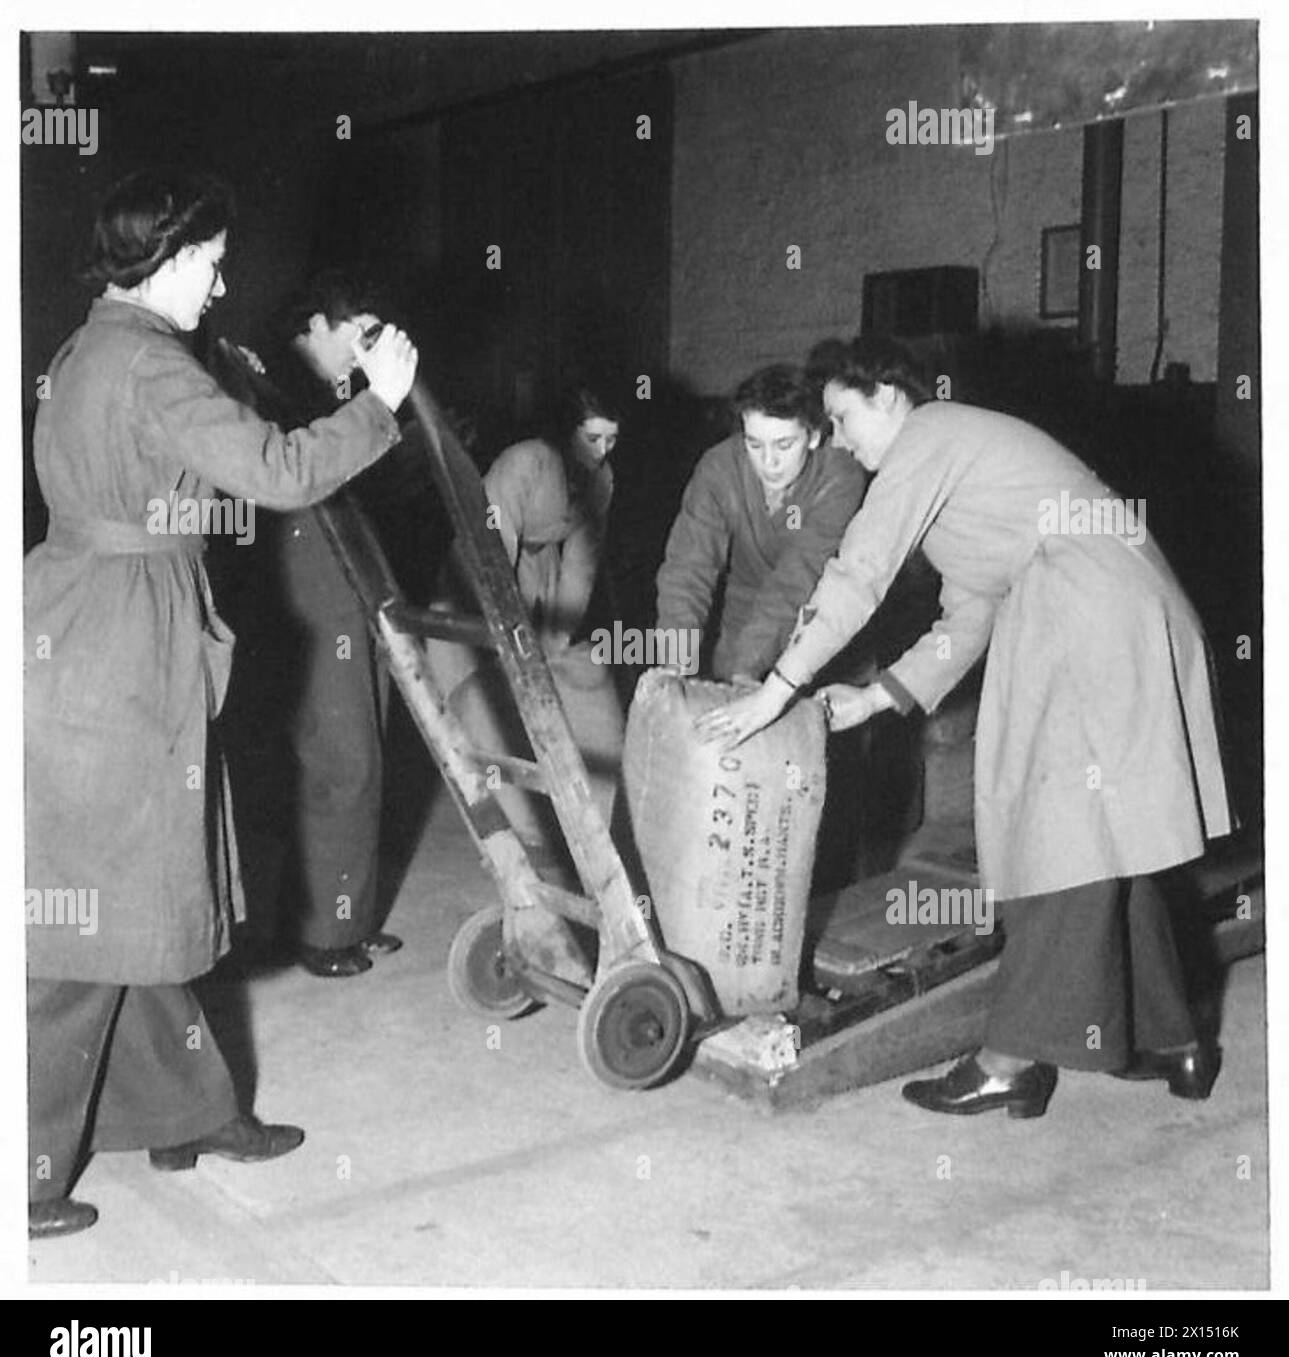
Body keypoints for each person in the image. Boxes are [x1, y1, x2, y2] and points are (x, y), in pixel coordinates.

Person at [24, 168, 418, 1238]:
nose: (221, 277)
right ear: (159, 262)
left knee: (137, 893)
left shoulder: (85, 347)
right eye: (206, 260)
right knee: (81, 924)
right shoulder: (149, 363)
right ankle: (25, 1170)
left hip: (81, 623)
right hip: (121, 647)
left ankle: (189, 1110)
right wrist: (377, 403)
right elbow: (279, 471)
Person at [697, 335, 1232, 1119]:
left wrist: (779, 686)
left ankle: (1010, 1061)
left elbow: (860, 571)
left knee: (1060, 838)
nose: (839, 440)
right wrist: (877, 698)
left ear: (888, 396)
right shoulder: (967, 462)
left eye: (843, 418)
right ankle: (1168, 1037)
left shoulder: (931, 435)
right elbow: (969, 613)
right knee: (1118, 832)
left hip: (1085, 616)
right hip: (1120, 608)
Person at [214, 271, 433, 977]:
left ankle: (346, 916)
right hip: (309, 595)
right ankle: (322, 934)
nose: (359, 353)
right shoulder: (257, 384)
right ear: (310, 325)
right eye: (355, 333)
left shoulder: (315, 394)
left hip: (351, 587)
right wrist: (375, 397)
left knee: (362, 750)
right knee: (341, 761)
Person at [427, 385, 625, 853]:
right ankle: (480, 812)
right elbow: (493, 547)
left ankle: (531, 805)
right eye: (592, 438)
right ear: (568, 431)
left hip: (541, 570)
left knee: (546, 673)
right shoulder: (527, 461)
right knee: (455, 696)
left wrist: (558, 631)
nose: (601, 451)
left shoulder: (601, 480)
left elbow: (581, 560)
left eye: (611, 440)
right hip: (479, 567)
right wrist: (503, 629)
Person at [655, 363, 869, 681]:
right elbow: (688, 567)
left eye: (784, 445)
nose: (769, 462)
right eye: (754, 444)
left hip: (820, 621)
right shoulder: (719, 468)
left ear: (813, 436)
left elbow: (797, 577)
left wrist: (749, 670)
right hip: (739, 613)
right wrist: (675, 662)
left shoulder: (840, 477)